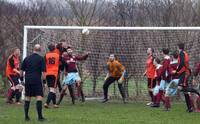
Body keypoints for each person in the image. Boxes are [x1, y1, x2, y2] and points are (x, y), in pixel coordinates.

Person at [20, 44, 46, 121]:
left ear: (33, 49)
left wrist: (21, 80)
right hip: (37, 80)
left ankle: (26, 117)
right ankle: (40, 117)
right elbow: (43, 72)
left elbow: (21, 71)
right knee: (39, 97)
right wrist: (44, 82)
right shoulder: (41, 59)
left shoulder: (26, 58)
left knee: (27, 97)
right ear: (40, 50)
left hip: (28, 80)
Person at [173, 43, 193, 112]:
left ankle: (194, 91)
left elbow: (182, 63)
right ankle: (190, 108)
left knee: (180, 87)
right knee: (185, 91)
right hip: (184, 72)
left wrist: (177, 70)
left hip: (185, 73)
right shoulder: (183, 53)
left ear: (178, 47)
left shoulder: (181, 53)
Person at [44, 43, 60, 108]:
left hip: (48, 73)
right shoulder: (57, 55)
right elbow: (61, 63)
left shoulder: (46, 55)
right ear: (54, 48)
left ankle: (54, 104)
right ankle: (46, 103)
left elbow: (44, 64)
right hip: (54, 73)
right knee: (52, 89)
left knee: (53, 89)